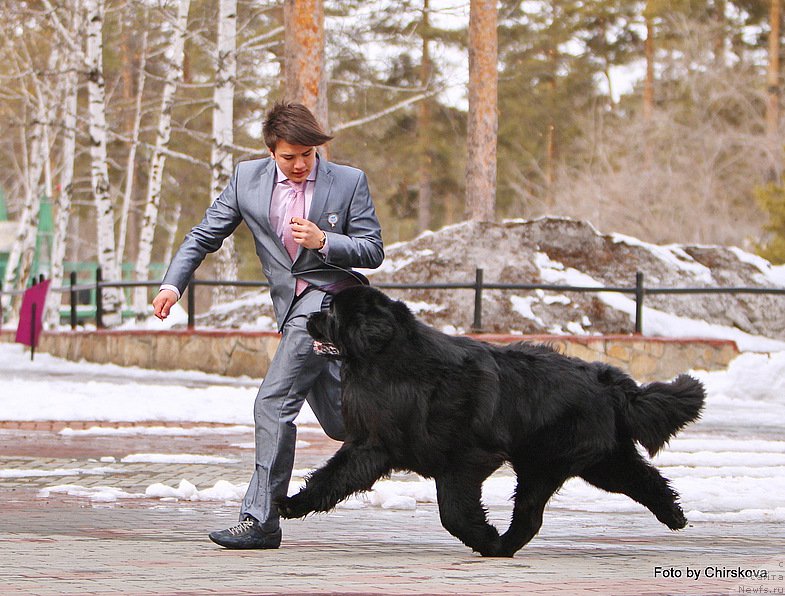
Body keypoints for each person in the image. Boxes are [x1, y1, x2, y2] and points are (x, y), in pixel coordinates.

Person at [152, 101, 384, 549]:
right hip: (291, 311)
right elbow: (203, 235)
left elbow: (372, 249)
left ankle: (261, 519)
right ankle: (402, 437)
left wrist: (325, 241)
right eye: (288, 156)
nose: (299, 165)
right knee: (342, 422)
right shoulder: (246, 180)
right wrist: (171, 286)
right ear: (271, 152)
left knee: (272, 403)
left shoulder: (349, 181)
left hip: (330, 306)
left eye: (307, 156)